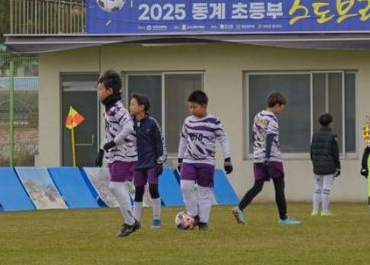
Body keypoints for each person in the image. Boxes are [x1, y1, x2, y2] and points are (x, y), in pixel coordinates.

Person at [232, 91, 299, 225]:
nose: (282, 109)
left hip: (257, 156)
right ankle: (283, 218)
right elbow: (269, 137)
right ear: (278, 105)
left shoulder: (258, 116)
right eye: (282, 106)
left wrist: (258, 151)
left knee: (257, 186)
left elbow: (254, 135)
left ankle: (239, 208)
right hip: (272, 157)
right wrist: (268, 157)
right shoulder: (272, 118)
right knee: (279, 186)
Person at [178, 90, 232, 230]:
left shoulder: (214, 121)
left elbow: (223, 139)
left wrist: (227, 158)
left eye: (194, 107)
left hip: (206, 161)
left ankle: (203, 222)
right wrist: (180, 158)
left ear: (204, 106)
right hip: (189, 160)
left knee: (204, 191)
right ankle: (194, 216)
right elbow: (183, 139)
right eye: (190, 107)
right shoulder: (188, 121)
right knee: (185, 187)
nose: (191, 110)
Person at [96, 69, 138, 237]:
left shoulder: (117, 109)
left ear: (110, 91)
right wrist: (101, 149)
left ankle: (131, 222)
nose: (98, 93)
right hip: (116, 153)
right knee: (117, 185)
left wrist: (114, 142)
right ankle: (131, 220)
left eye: (100, 89)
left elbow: (129, 127)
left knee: (115, 185)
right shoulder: (109, 109)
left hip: (125, 153)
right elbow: (109, 132)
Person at [128, 92, 166, 229]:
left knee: (153, 189)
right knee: (138, 192)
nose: (130, 106)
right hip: (137, 164)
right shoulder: (128, 124)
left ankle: (156, 219)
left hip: (152, 163)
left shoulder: (152, 123)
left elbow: (160, 142)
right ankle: (135, 221)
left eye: (133, 104)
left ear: (142, 107)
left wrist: (160, 161)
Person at [309, 113, 341, 216]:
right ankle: (324, 211)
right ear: (330, 123)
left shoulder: (315, 135)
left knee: (317, 187)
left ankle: (314, 211)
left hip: (317, 165)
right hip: (329, 165)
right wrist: (338, 167)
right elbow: (335, 153)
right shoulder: (332, 136)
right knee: (326, 188)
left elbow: (312, 152)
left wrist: (315, 163)